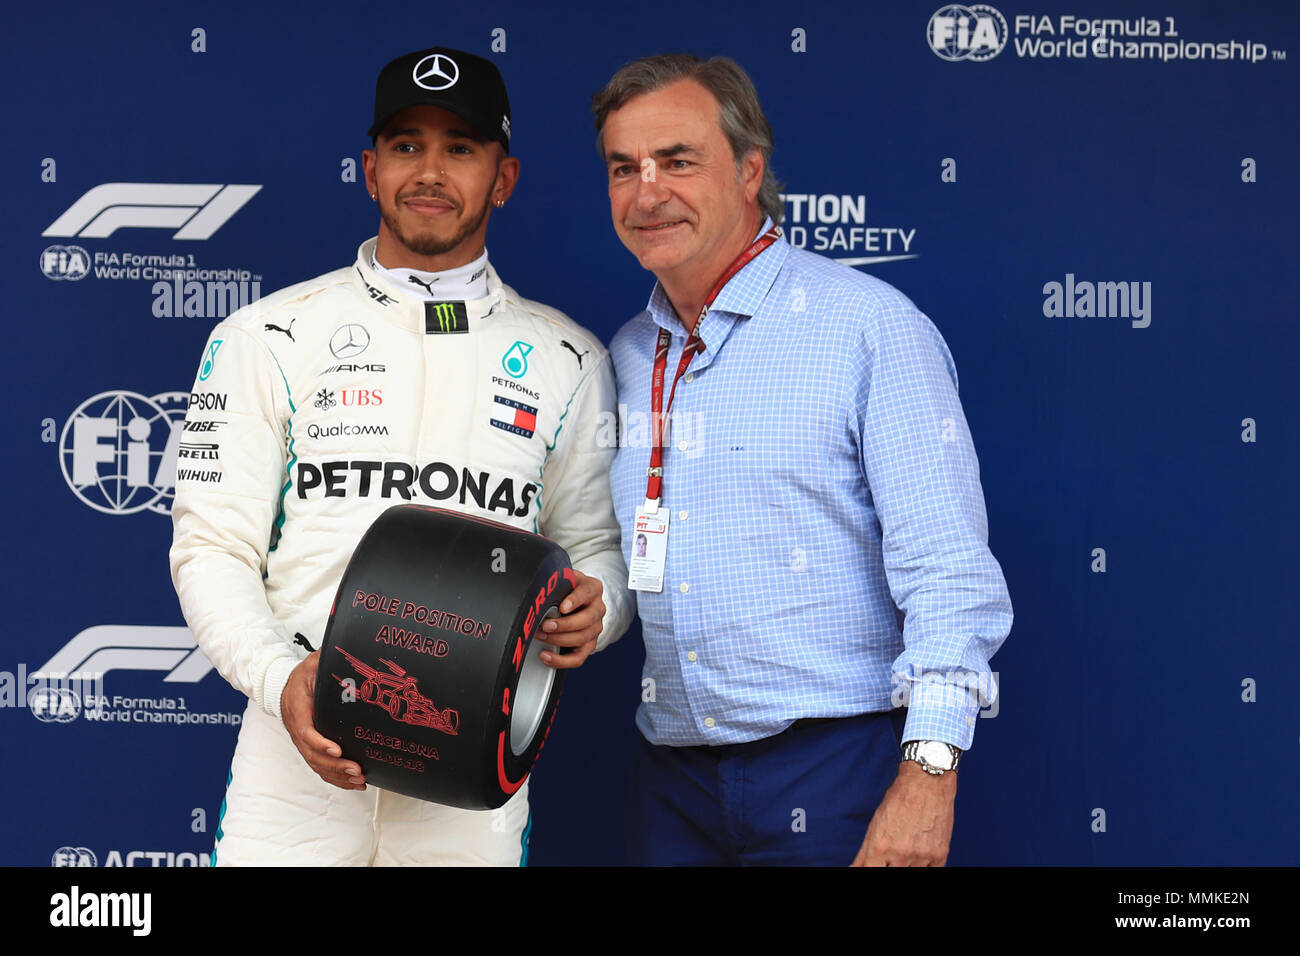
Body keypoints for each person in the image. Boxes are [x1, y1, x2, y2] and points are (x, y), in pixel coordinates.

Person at [170, 45, 632, 866]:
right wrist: (285, 682)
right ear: (369, 167)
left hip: (470, 775)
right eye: (407, 144)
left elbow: (595, 547)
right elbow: (210, 549)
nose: (430, 171)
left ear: (505, 177)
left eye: (460, 148)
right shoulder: (266, 335)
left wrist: (604, 608)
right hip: (294, 758)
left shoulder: (568, 358)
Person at [592, 54, 1013, 866]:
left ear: (750, 170)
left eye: (678, 161)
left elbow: (949, 571)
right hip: (670, 779)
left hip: (835, 774)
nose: (647, 193)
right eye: (624, 168)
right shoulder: (628, 352)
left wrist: (929, 773)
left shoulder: (868, 329)